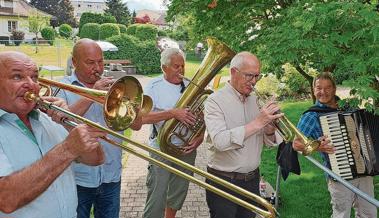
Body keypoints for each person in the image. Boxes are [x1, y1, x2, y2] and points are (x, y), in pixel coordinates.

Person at [0, 51, 106, 217]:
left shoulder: (47, 118)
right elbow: (6, 199)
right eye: (17, 77)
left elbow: (96, 159)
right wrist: (67, 149)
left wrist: (71, 124)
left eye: (34, 77)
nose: (31, 85)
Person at [56, 38, 132, 218]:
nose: (97, 68)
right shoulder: (62, 87)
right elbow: (59, 121)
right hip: (78, 177)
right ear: (74, 62)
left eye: (100, 62)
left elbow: (134, 123)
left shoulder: (113, 88)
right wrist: (91, 94)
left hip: (111, 174)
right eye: (90, 63)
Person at [204, 51, 283, 218]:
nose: (253, 82)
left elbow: (268, 142)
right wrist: (258, 122)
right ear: (233, 72)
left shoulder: (256, 101)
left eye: (257, 76)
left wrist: (269, 130)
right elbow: (220, 141)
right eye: (249, 76)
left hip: (252, 181)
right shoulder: (214, 101)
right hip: (223, 181)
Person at [293, 72, 377, 218]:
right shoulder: (311, 115)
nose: (323, 92)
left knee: (369, 213)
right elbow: (296, 144)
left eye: (327, 88)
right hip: (339, 174)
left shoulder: (348, 106)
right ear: (313, 90)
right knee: (341, 214)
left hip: (364, 169)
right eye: (319, 88)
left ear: (334, 89)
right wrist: (319, 146)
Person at [141, 47, 204, 218]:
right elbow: (142, 118)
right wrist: (173, 113)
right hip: (161, 148)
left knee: (178, 193)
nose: (181, 70)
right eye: (176, 66)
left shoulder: (191, 86)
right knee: (157, 194)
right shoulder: (153, 87)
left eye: (182, 66)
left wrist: (199, 137)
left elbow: (202, 117)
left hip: (186, 149)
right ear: (164, 68)